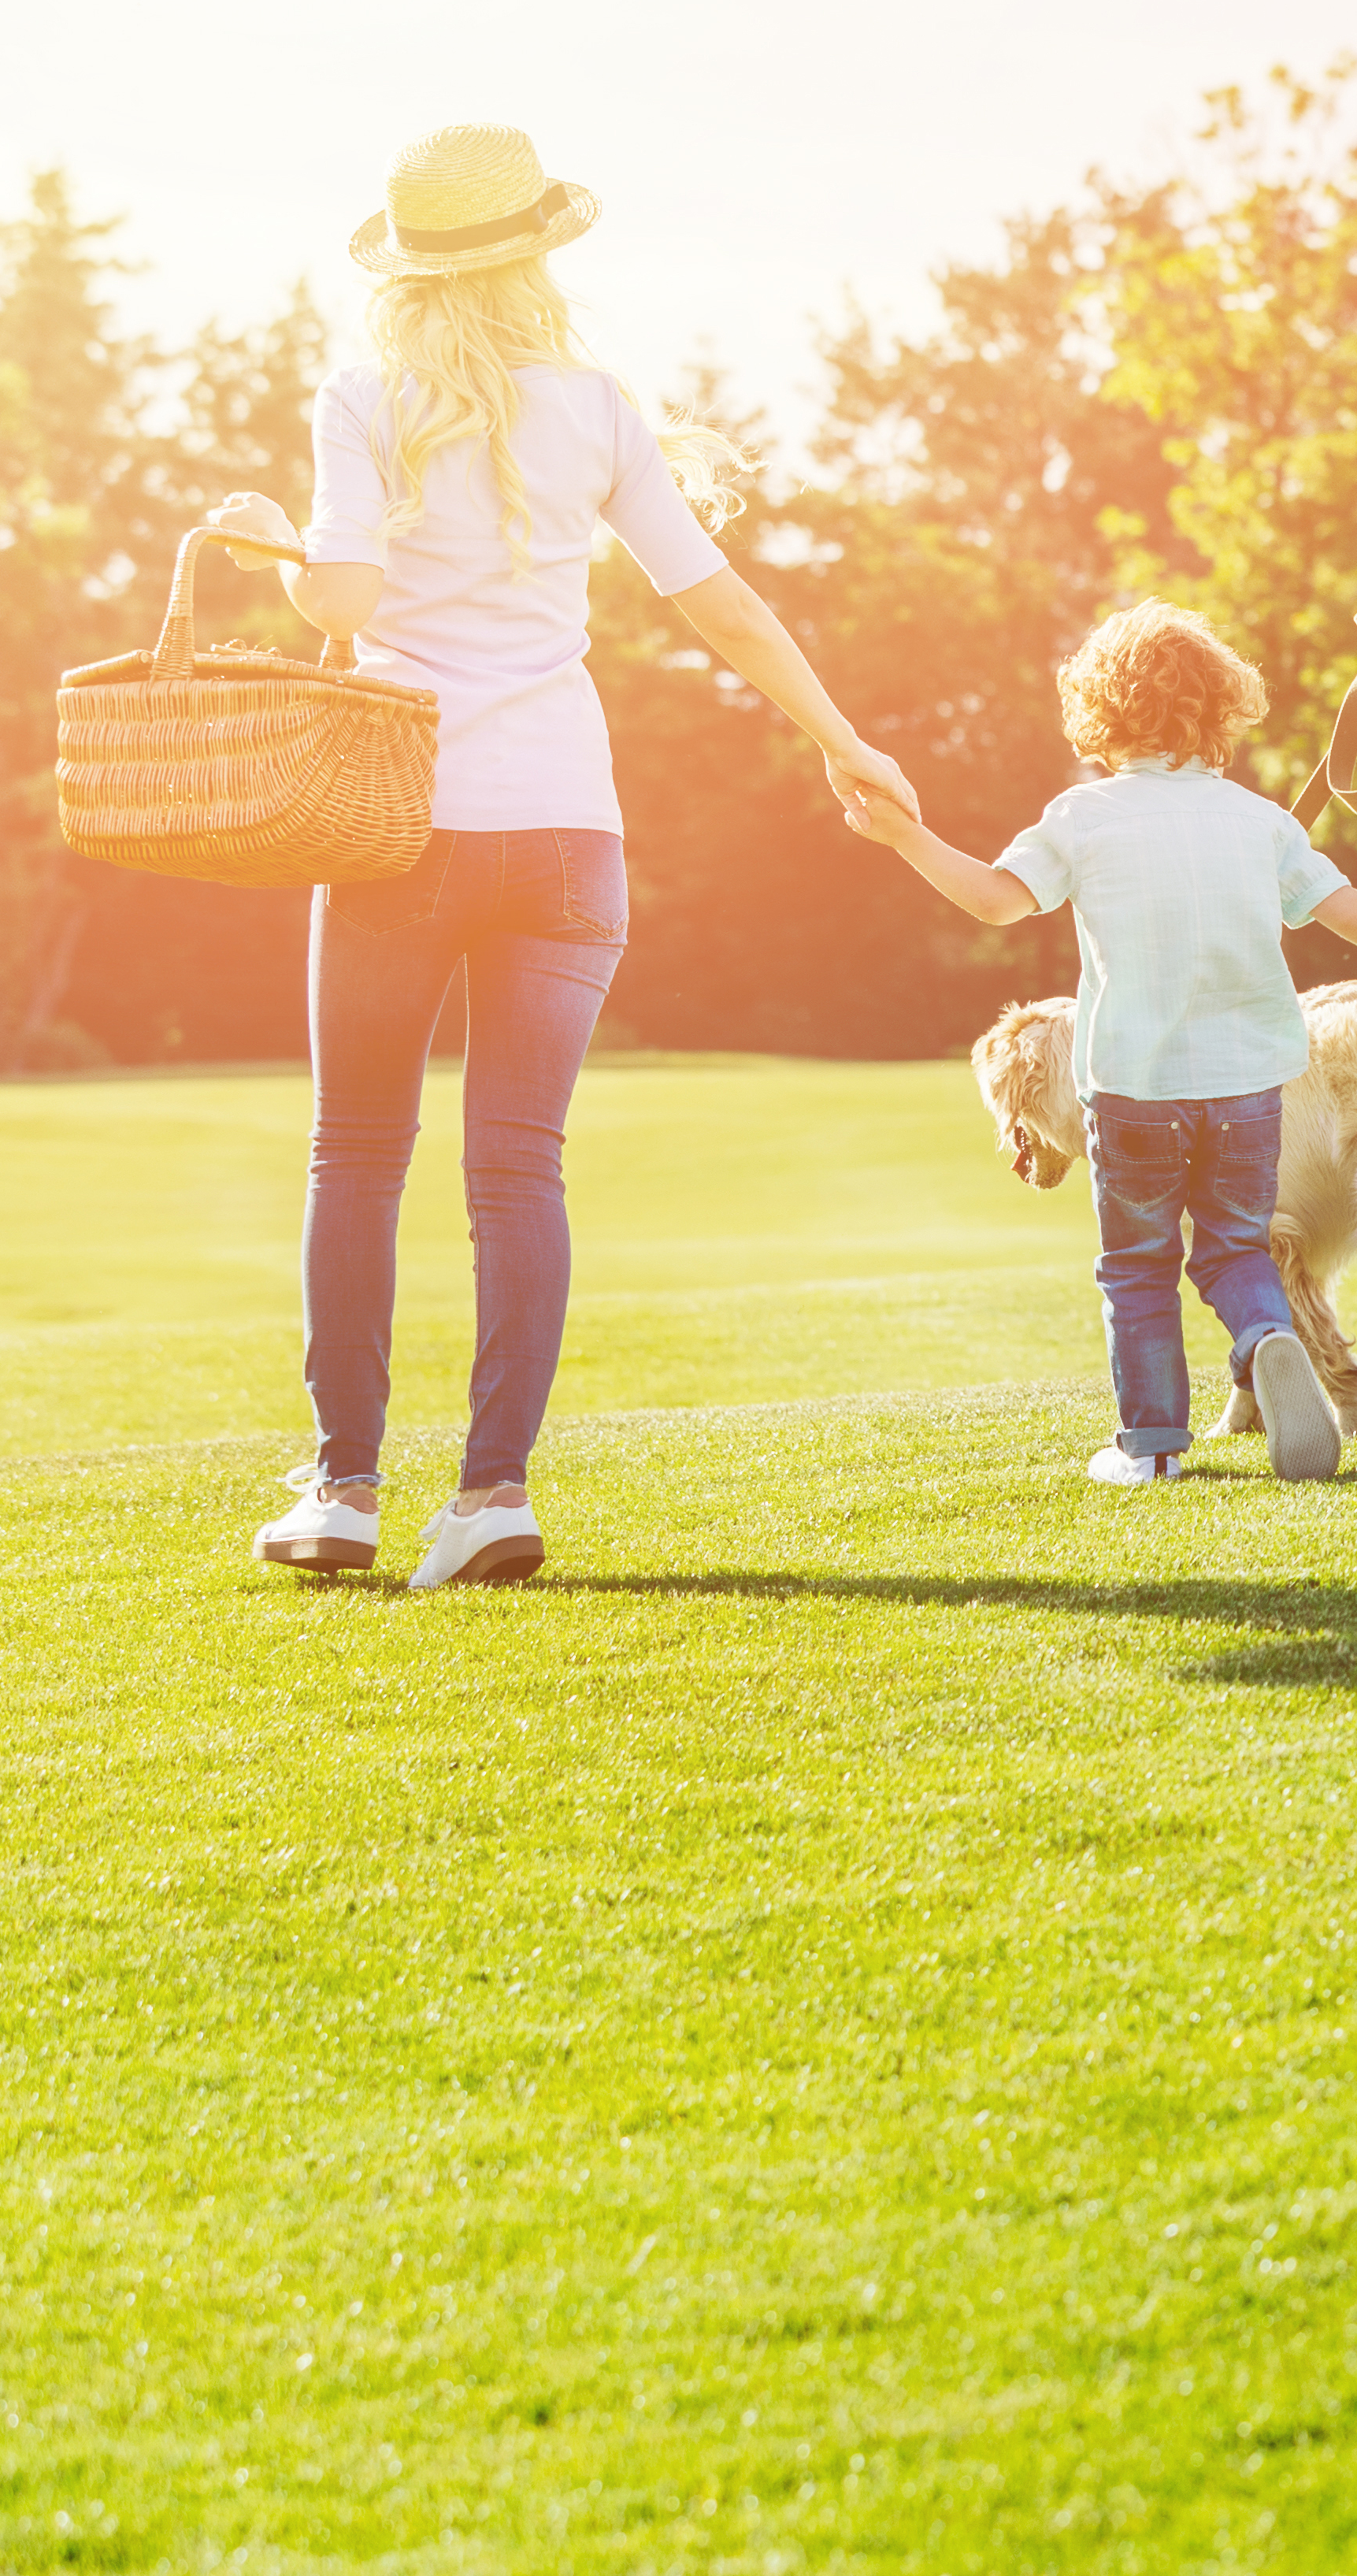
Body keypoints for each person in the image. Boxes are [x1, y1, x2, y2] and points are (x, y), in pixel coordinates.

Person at [216, 124, 918, 1591]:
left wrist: (278, 541)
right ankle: (490, 1499)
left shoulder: (366, 398)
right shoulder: (596, 408)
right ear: (537, 254)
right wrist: (846, 741)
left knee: (357, 1154)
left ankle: (344, 1492)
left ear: (407, 272)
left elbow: (338, 604)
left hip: (402, 829)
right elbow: (719, 605)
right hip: (568, 835)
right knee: (516, 1169)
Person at [836, 601, 1357, 1483]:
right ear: (1224, 711)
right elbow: (1341, 903)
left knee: (1138, 1268)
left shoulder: (1081, 815)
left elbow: (995, 899)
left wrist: (905, 836)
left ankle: (1150, 1447)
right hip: (1249, 1088)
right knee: (1235, 1248)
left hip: (1136, 1092)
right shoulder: (1258, 820)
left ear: (1098, 717)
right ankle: (1266, 1335)